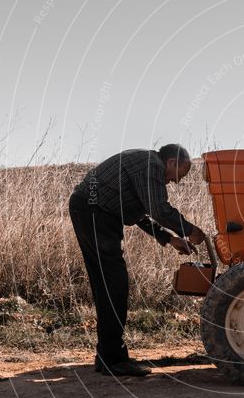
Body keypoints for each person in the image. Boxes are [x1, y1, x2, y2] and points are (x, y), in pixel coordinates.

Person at [68, 143, 206, 377]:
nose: (176, 182)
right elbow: (159, 210)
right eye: (179, 175)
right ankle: (113, 360)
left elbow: (140, 214)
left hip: (91, 212)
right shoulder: (151, 165)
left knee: (108, 286)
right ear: (171, 162)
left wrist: (169, 239)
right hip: (95, 214)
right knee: (114, 285)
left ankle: (107, 356)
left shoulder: (144, 164)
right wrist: (190, 230)